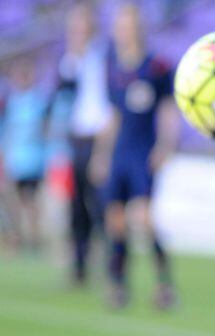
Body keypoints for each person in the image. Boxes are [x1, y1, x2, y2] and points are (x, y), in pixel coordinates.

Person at [91, 2, 179, 309]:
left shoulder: (157, 67)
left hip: (143, 152)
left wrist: (165, 146)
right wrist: (101, 154)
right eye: (120, 26)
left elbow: (168, 110)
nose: (124, 32)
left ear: (139, 29)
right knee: (115, 221)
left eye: (129, 26)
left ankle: (165, 284)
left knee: (142, 217)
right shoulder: (112, 66)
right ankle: (118, 286)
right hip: (119, 153)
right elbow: (113, 115)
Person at [56, 2, 112, 285]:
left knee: (101, 204)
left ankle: (112, 266)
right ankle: (79, 264)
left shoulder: (104, 54)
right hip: (76, 138)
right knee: (77, 206)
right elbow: (64, 94)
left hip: (98, 136)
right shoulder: (71, 59)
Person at [0, 57, 50, 252]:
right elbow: (6, 132)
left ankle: (34, 239)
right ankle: (18, 238)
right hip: (15, 161)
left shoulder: (39, 101)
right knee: (16, 202)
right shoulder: (10, 103)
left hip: (34, 160)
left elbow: (45, 128)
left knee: (31, 201)